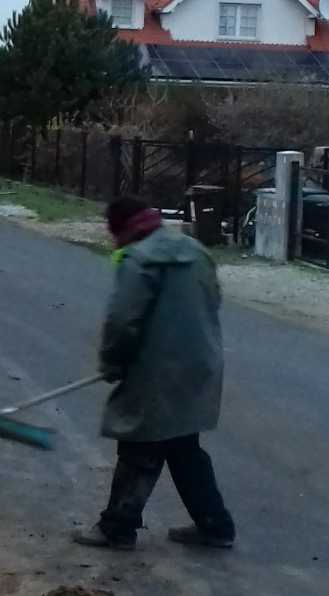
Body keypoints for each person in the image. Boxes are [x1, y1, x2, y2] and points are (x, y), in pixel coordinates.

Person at [72, 194, 235, 552]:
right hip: (200, 365)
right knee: (182, 445)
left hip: (156, 371)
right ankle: (216, 525)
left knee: (139, 445)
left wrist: (112, 362)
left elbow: (122, 320)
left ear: (121, 229)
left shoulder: (139, 259)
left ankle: (117, 527)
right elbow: (215, 298)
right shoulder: (194, 250)